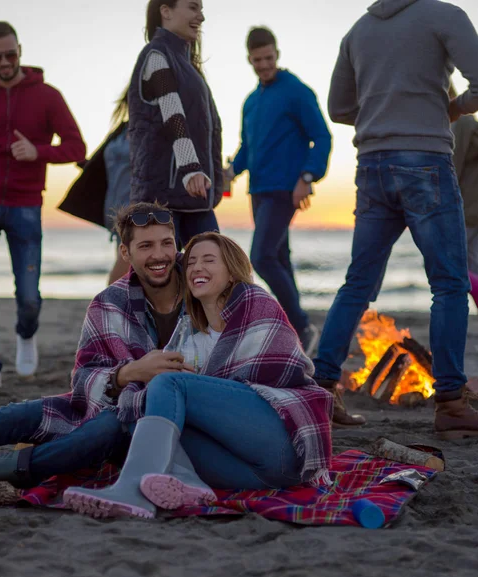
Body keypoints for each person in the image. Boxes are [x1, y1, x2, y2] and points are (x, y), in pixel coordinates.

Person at [63, 232, 334, 520]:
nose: (196, 268)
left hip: (282, 446)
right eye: (190, 262)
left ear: (232, 272)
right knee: (139, 412)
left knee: (169, 384)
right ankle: (189, 483)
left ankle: (130, 490)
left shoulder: (255, 302)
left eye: (208, 260)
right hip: (250, 473)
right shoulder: (187, 334)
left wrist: (193, 388)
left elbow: (281, 373)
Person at [314, 0, 478, 437]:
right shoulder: (445, 15)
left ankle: (320, 391)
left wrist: (380, 109)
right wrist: (454, 107)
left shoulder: (358, 30)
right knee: (449, 284)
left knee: (357, 285)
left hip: (372, 166)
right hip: (425, 160)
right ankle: (450, 405)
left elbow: (338, 109)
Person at [0, 202, 195, 491]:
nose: (159, 255)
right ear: (125, 253)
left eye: (166, 243)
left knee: (106, 430)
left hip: (155, 422)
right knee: (14, 415)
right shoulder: (108, 302)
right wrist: (128, 373)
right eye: (145, 246)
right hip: (104, 405)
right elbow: (83, 381)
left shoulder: (204, 289)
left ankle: (5, 468)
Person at [0, 21, 86, 391]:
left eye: (10, 54)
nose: (4, 61)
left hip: (25, 206)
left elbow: (77, 148)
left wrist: (37, 152)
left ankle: (26, 334)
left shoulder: (47, 95)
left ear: (20, 50)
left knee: (28, 296)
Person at [224, 27, 332, 358]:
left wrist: (308, 176)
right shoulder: (251, 101)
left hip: (285, 190)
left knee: (261, 257)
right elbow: (247, 148)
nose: (264, 65)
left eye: (268, 58)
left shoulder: (297, 91)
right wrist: (230, 171)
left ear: (277, 54)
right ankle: (299, 333)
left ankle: (300, 325)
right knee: (280, 257)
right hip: (257, 190)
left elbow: (322, 137)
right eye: (257, 60)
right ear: (249, 59)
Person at [128, 0, 223, 250]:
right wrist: (190, 168)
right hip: (162, 200)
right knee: (158, 279)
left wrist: (218, 176)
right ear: (166, 11)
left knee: (218, 273)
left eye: (201, 9)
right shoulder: (157, 55)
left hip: (195, 199)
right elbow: (172, 112)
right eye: (193, 7)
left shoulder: (188, 65)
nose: (201, 17)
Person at [59, 86, 132, 284]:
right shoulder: (120, 130)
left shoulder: (152, 133)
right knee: (130, 273)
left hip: (137, 212)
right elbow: (104, 164)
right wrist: (88, 167)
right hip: (115, 211)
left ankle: (106, 309)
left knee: (124, 271)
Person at [450, 85, 478, 309]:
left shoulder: (463, 124)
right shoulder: (467, 123)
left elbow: (452, 169)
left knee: (456, 272)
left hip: (466, 212)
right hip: (466, 211)